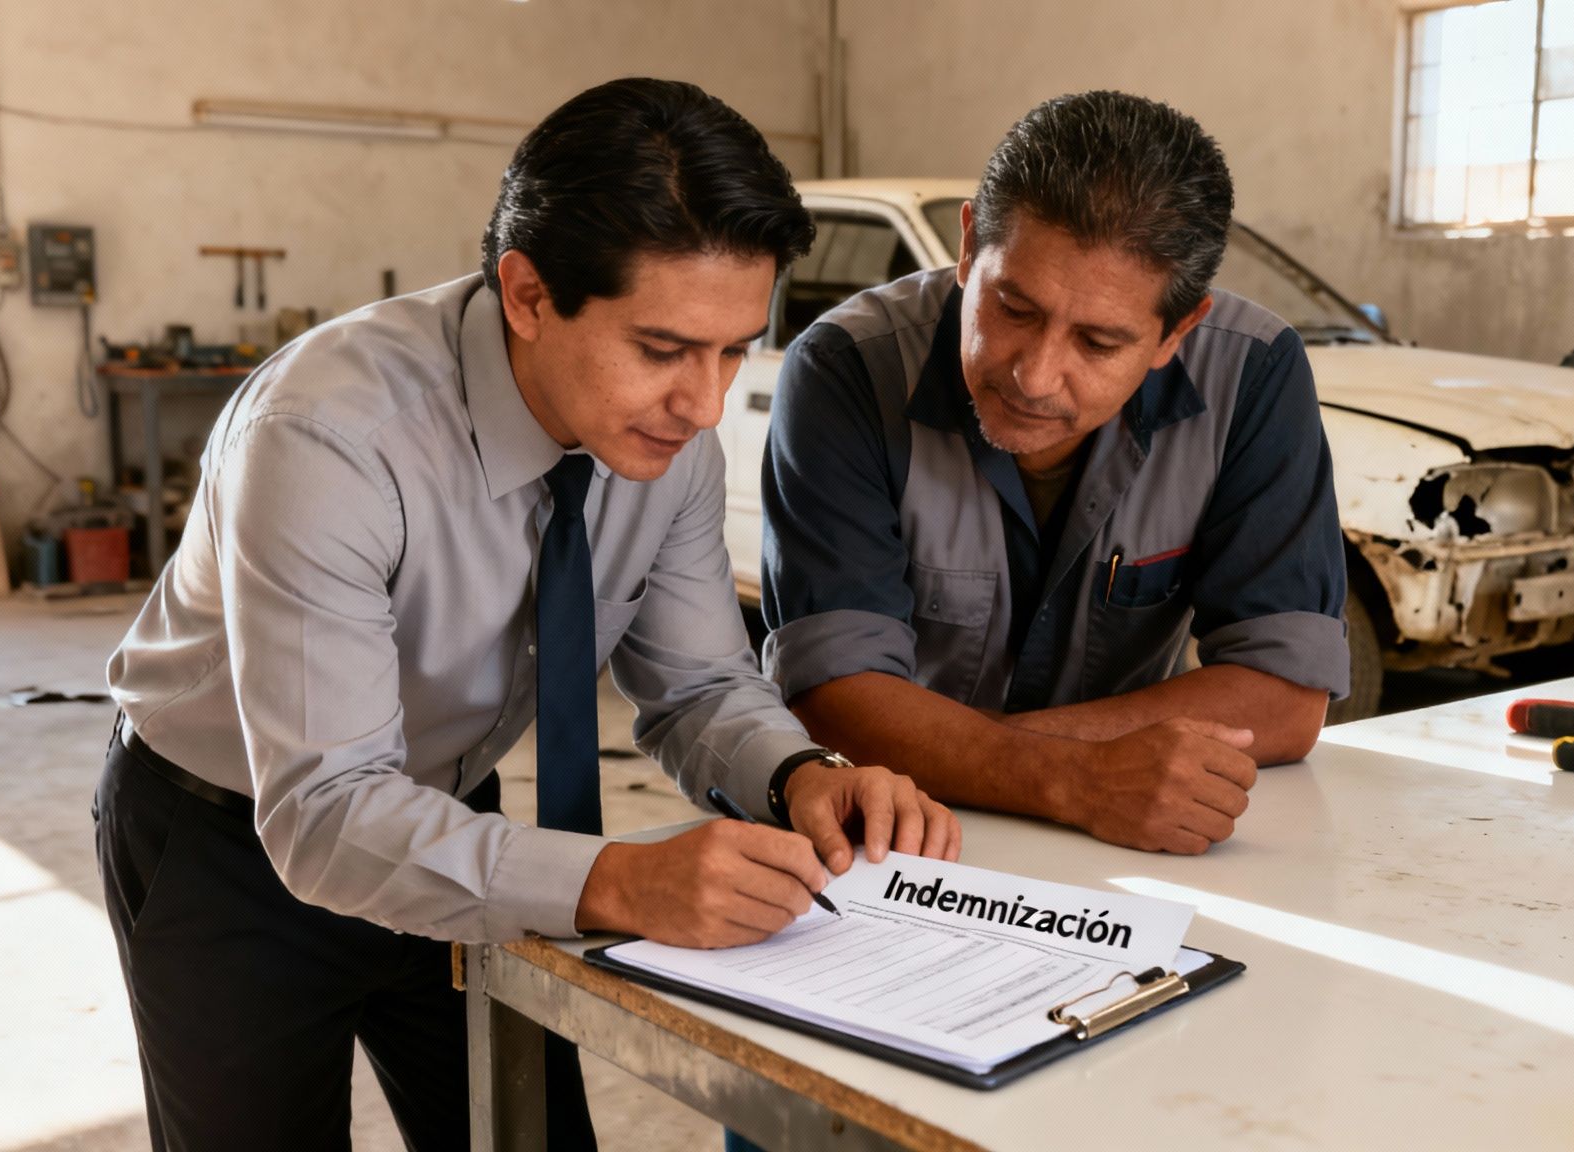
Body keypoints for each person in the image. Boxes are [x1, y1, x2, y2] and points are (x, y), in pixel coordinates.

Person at [94, 77, 959, 1152]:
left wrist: (799, 775)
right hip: (230, 844)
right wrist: (620, 879)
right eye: (662, 349)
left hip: (455, 806)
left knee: (528, 1135)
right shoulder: (326, 439)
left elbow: (697, 684)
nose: (704, 404)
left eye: (734, 348)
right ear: (528, 294)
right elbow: (324, 814)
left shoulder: (667, 443)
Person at [759, 90, 1347, 857]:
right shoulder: (846, 370)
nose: (1034, 376)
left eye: (1098, 344)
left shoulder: (1253, 375)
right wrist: (1075, 778)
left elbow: (1284, 698)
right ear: (969, 246)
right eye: (1013, 307)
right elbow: (835, 704)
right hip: (894, 845)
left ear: (1178, 331)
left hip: (1125, 840)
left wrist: (966, 751)